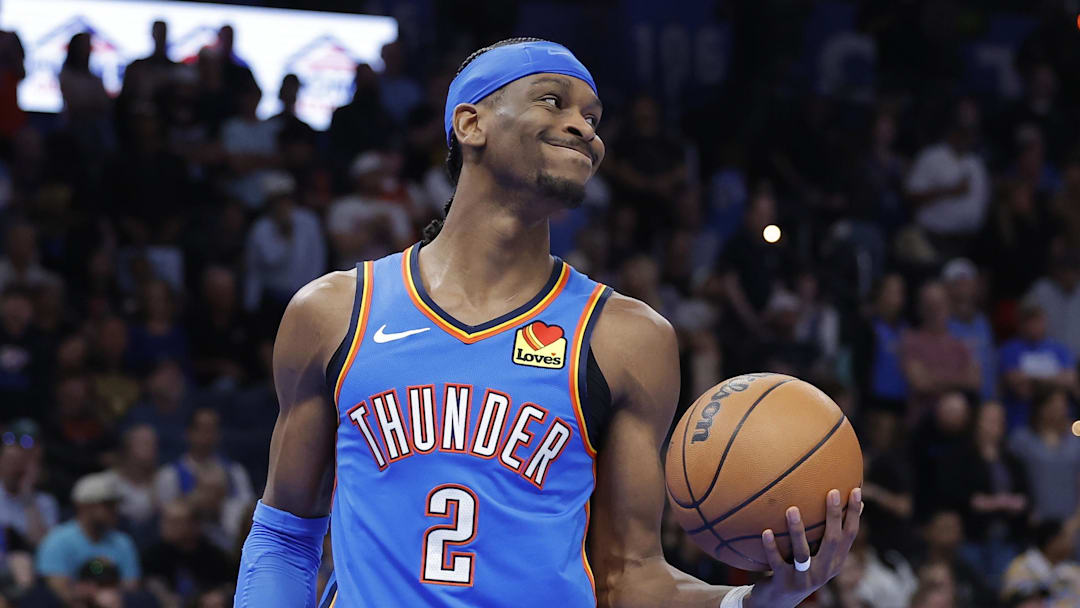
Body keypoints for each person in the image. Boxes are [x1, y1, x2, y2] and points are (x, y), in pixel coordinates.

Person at [234, 38, 862, 608]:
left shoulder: (627, 338)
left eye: (592, 118)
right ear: (470, 123)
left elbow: (629, 572)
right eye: (553, 102)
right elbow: (285, 537)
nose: (582, 129)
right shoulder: (336, 310)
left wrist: (754, 603)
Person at [35, 473, 140, 604]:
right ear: (84, 505)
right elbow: (58, 591)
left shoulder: (123, 542)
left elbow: (130, 589)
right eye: (107, 505)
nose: (114, 510)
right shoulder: (57, 540)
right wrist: (87, 594)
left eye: (115, 505)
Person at [900, 281, 980, 427]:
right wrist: (958, 380)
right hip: (923, 421)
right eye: (930, 305)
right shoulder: (911, 340)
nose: (935, 310)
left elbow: (974, 381)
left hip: (961, 422)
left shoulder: (960, 344)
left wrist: (934, 378)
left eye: (940, 304)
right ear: (920, 308)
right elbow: (920, 383)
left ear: (949, 306)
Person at [998, 300, 1078, 426]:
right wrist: (1053, 380)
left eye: (1038, 320)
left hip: (1059, 423)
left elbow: (1070, 380)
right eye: (1029, 321)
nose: (1034, 325)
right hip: (1021, 420)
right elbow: (1018, 387)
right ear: (1021, 324)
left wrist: (1031, 378)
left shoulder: (1059, 349)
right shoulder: (1010, 349)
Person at [1008, 388, 1080, 522]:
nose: (1060, 411)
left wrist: (1073, 525)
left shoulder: (1075, 442)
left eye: (1063, 406)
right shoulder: (1022, 440)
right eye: (1054, 405)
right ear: (1041, 408)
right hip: (1035, 521)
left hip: (1072, 522)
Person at [142, 500, 233, 605]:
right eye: (165, 521)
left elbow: (226, 585)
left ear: (194, 525)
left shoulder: (214, 556)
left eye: (175, 522)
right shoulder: (152, 555)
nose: (166, 526)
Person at [942, 258, 996, 400]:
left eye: (967, 281)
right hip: (957, 402)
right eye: (957, 282)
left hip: (987, 400)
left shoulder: (983, 322)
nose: (963, 286)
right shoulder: (942, 323)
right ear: (946, 287)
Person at [0, 419, 57, 551]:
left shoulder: (45, 502)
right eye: (11, 461)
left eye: (23, 462)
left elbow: (43, 547)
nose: (15, 468)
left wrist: (27, 496)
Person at [1001, 518, 1080, 606]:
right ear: (1051, 542)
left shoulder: (1074, 569)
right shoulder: (1021, 566)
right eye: (1064, 538)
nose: (1070, 543)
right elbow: (1014, 599)